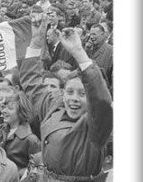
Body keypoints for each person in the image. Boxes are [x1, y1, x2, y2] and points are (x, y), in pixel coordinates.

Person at [18, 13, 112, 181]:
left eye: (82, 93)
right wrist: (36, 41)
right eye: (70, 92)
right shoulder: (55, 105)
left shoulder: (98, 123)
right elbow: (32, 84)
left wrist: (78, 52)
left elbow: (101, 100)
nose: (74, 99)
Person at [0, 88, 41, 176]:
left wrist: (17, 173)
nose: (4, 111)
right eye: (3, 107)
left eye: (10, 108)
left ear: (21, 112)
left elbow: (37, 169)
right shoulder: (0, 131)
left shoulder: (31, 139)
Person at [86, 24, 113, 92]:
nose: (91, 37)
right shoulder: (89, 49)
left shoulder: (111, 51)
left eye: (94, 34)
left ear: (103, 34)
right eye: (90, 34)